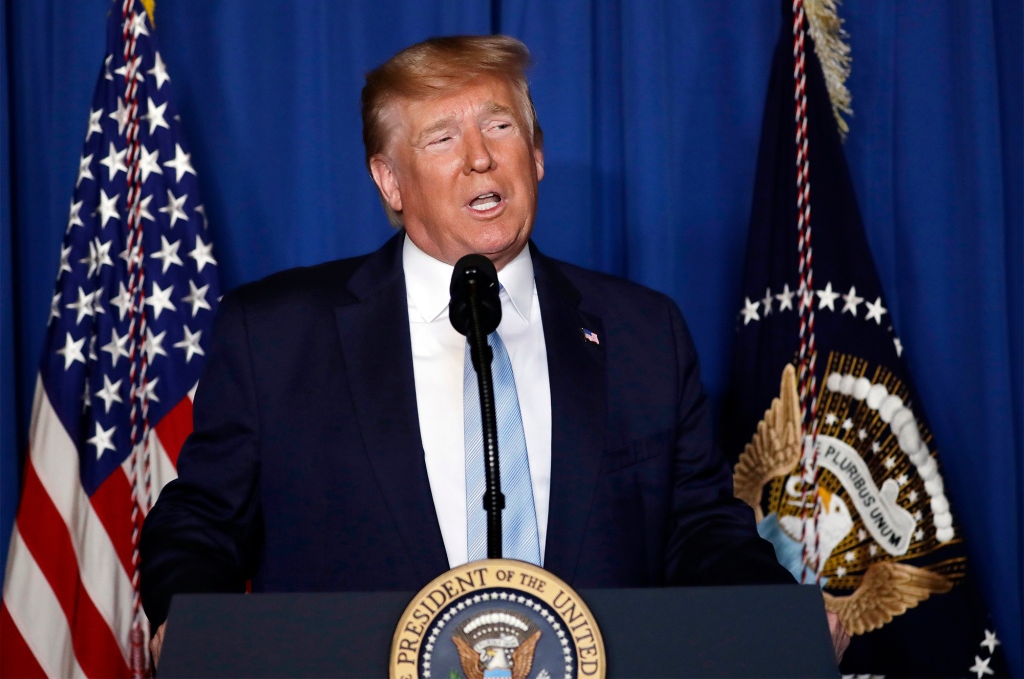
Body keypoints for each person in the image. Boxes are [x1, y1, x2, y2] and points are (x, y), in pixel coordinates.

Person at [141, 35, 848, 664]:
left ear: (536, 156)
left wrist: (778, 618)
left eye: (500, 127)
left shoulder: (641, 333)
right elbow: (201, 520)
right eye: (441, 139)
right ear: (389, 181)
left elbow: (698, 532)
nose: (479, 157)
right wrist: (190, 620)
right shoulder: (275, 335)